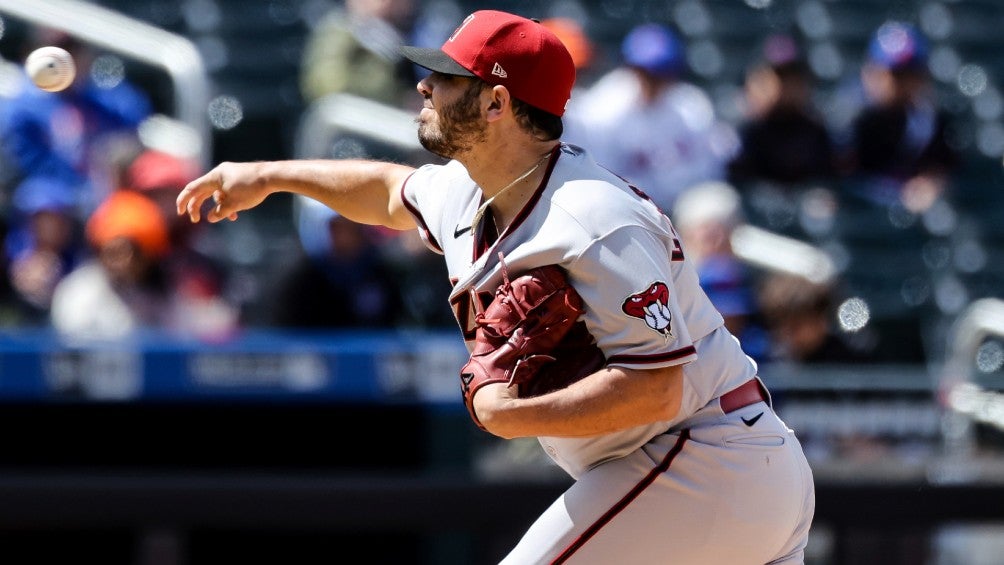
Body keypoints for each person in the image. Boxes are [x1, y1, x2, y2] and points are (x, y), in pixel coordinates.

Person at [177, 10, 814, 563]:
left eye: (446, 78)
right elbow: (384, 190)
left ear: (495, 102)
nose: (424, 85)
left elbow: (657, 385)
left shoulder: (594, 217)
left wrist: (511, 415)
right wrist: (265, 174)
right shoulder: (470, 190)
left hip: (708, 455)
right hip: (690, 475)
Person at [562, 22, 738, 212]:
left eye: (661, 72)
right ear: (632, 68)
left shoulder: (691, 106)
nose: (654, 80)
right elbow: (598, 173)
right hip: (627, 207)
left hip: (681, 208)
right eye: (646, 72)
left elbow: (709, 169)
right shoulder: (604, 107)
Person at [842, 21, 959, 213]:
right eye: (894, 74)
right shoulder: (845, 119)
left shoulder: (932, 122)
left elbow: (944, 167)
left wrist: (932, 181)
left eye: (910, 74)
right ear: (870, 72)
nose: (901, 84)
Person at [727, 34, 836, 189]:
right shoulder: (741, 133)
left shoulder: (816, 134)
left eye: (792, 77)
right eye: (779, 77)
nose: (785, 86)